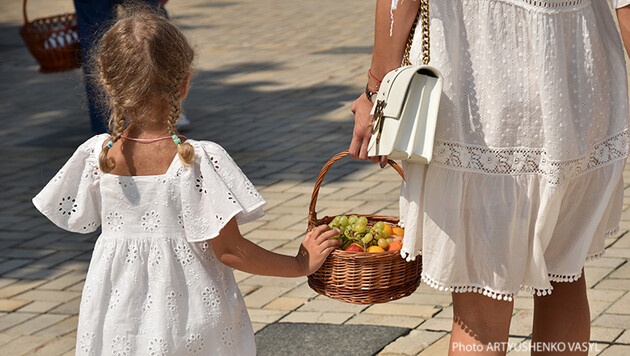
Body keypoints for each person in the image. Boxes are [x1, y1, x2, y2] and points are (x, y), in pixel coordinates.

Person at [33, 7, 340, 355]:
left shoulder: (97, 156)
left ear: (105, 82)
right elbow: (230, 252)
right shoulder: (198, 162)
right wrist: (299, 264)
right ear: (184, 83)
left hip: (120, 321)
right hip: (190, 319)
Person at [349, 0, 630, 354]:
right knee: (564, 275)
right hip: (579, 77)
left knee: (481, 308)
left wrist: (378, 89)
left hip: (482, 89)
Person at [74, 0, 184, 133]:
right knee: (152, 29)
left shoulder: (85, 152)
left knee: (94, 38)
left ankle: (106, 130)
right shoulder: (208, 152)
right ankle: (162, 116)